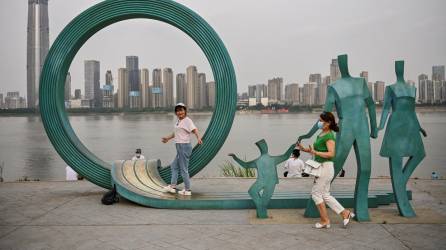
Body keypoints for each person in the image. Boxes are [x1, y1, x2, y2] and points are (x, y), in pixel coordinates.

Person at [298, 111, 354, 228]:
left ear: (328, 123)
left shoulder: (329, 136)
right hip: (321, 167)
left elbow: (331, 154)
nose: (319, 123)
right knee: (325, 195)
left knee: (315, 194)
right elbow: (316, 150)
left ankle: (325, 220)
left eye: (321, 121)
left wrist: (315, 152)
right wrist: (304, 149)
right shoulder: (321, 134)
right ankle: (345, 213)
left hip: (326, 167)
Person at [162, 103, 202, 196]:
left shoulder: (187, 120)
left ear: (185, 111)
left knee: (184, 169)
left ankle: (187, 190)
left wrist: (198, 138)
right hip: (179, 147)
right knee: (174, 166)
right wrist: (167, 138)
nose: (179, 112)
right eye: (178, 110)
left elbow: (194, 129)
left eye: (181, 110)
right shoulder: (178, 122)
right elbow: (175, 133)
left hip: (184, 147)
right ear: (176, 112)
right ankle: (172, 186)